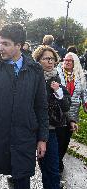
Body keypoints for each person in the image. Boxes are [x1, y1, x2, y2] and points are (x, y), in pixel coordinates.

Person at [0, 23, 49, 189]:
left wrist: (42, 138)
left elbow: (41, 106)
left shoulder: (35, 70)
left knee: (22, 180)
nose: (0, 48)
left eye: (5, 44)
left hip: (24, 138)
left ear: (19, 45)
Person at [33, 45, 71, 189]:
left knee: (52, 167)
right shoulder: (33, 78)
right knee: (35, 166)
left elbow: (67, 105)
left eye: (52, 58)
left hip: (50, 129)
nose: (50, 61)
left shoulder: (57, 79)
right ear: (38, 61)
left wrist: (58, 93)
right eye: (45, 58)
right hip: (32, 127)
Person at [56, 52, 86, 174]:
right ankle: (56, 163)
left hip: (73, 112)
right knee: (58, 138)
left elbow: (84, 92)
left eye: (70, 60)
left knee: (66, 140)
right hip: (58, 112)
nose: (66, 62)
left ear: (75, 63)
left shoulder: (80, 76)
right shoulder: (58, 73)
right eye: (65, 60)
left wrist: (85, 103)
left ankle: (59, 159)